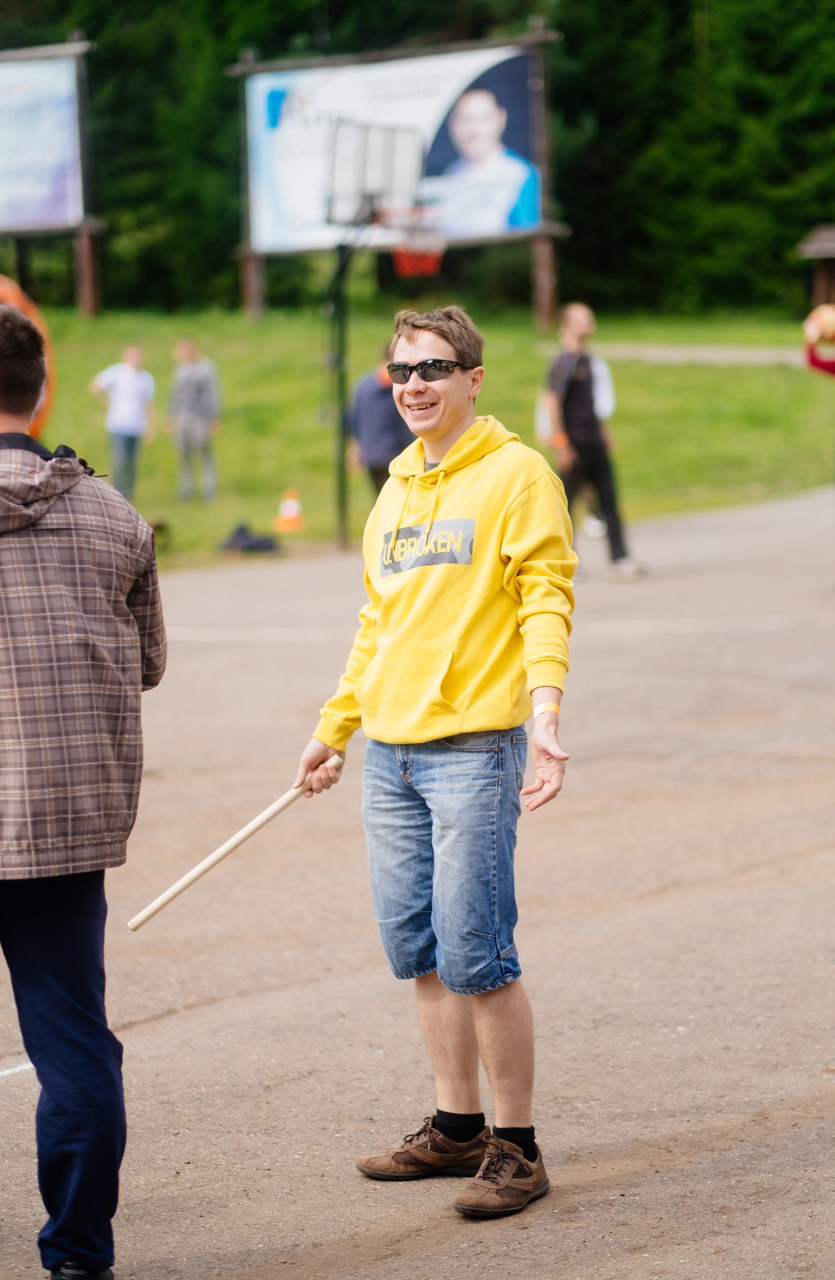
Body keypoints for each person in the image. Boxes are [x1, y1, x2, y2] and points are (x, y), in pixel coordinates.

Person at [293, 304, 577, 1219]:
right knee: (417, 949)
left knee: (477, 953)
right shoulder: (394, 490)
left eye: (434, 368)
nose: (413, 385)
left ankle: (517, 1148)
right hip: (391, 757)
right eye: (401, 370)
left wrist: (544, 711)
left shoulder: (516, 475)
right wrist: (335, 727)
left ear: (472, 380)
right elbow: (377, 625)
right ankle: (457, 1129)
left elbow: (545, 596)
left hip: (473, 752)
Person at [0, 305, 167, 1280]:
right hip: (60, 820)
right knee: (74, 1045)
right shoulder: (113, 513)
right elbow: (147, 663)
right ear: (42, 389)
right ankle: (80, 1253)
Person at [543, 302, 643, 577]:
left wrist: (604, 432)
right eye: (584, 319)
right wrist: (561, 443)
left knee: (608, 499)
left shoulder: (589, 361)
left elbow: (593, 404)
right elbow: (552, 403)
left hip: (594, 440)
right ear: (567, 325)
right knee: (566, 505)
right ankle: (565, 561)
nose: (591, 324)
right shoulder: (562, 363)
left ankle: (620, 558)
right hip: (573, 443)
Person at [427, 87, 540, 240]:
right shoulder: (450, 173)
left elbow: (528, 241)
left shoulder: (522, 174)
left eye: (484, 118)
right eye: (465, 119)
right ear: (451, 124)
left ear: (501, 118)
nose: (474, 130)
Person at [346, 346, 415, 495]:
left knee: (382, 496)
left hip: (370, 453)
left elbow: (353, 420)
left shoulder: (363, 385)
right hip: (393, 453)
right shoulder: (395, 383)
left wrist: (356, 447)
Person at [90, 346, 155, 501]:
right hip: (119, 424)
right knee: (120, 460)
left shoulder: (146, 379)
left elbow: (149, 405)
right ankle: (116, 491)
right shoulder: (118, 372)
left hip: (137, 426)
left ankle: (129, 492)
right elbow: (96, 385)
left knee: (132, 461)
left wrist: (150, 428)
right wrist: (107, 402)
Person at [166, 339, 222, 501]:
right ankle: (186, 488)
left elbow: (213, 393)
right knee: (183, 453)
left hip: (201, 418)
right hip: (183, 418)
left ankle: (208, 488)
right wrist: (171, 415)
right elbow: (175, 393)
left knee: (204, 452)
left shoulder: (207, 368)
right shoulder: (180, 370)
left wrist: (214, 416)